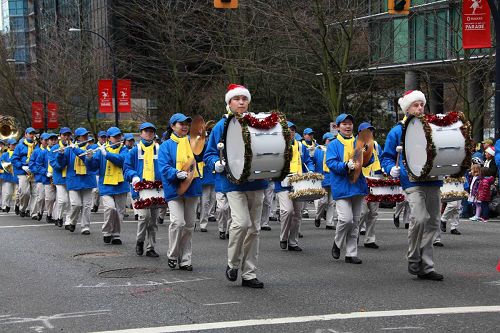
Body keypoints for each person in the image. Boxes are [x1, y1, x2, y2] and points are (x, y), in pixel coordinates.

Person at [204, 84, 267, 288]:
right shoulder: (220, 126)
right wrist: (216, 164)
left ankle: (249, 274)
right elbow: (209, 153)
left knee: (254, 229)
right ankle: (232, 263)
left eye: (244, 99)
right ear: (229, 102)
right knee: (241, 223)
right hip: (231, 183)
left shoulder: (258, 123)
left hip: (256, 181)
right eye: (236, 99)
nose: (241, 102)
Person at [381, 90, 444, 281]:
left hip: (433, 179)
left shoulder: (431, 127)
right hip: (412, 180)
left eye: (421, 104)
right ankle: (414, 256)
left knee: (433, 222)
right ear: (407, 108)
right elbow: (386, 157)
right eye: (415, 105)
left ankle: (427, 266)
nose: (420, 108)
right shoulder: (397, 130)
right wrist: (391, 168)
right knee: (419, 218)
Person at [327, 114, 373, 264]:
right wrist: (345, 165)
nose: (348, 126)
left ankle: (351, 253)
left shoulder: (358, 142)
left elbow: (368, 161)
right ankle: (338, 242)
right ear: (338, 126)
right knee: (346, 219)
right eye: (344, 124)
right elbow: (331, 163)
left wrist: (367, 153)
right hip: (341, 185)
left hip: (357, 185)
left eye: (350, 124)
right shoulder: (333, 144)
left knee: (355, 221)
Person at [158, 114, 202, 270]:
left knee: (189, 225)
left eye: (186, 124)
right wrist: (175, 173)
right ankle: (173, 254)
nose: (184, 126)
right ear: (172, 126)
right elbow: (163, 167)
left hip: (193, 187)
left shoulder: (195, 143)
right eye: (180, 123)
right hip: (174, 187)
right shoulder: (165, 145)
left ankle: (185, 259)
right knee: (177, 223)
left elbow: (202, 158)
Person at [274, 121, 314, 252]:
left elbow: (308, 160)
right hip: (283, 183)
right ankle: (283, 237)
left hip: (298, 182)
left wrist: (311, 170)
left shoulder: (301, 146)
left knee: (297, 214)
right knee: (287, 211)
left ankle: (293, 242)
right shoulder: (276, 146)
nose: (290, 132)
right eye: (287, 130)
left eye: (292, 130)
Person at [86, 127, 129, 244]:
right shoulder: (101, 150)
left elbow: (122, 160)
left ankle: (116, 235)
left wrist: (107, 154)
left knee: (119, 212)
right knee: (110, 208)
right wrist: (89, 158)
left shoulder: (124, 149)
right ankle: (107, 232)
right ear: (109, 138)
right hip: (106, 185)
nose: (118, 138)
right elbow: (93, 167)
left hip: (121, 185)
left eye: (119, 136)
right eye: (115, 136)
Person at [124, 122, 161, 257]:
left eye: (151, 131)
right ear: (141, 133)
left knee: (153, 221)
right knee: (144, 217)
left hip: (157, 190)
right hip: (140, 190)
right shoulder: (134, 150)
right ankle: (140, 241)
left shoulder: (159, 149)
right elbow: (127, 168)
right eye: (146, 131)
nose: (149, 134)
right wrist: (133, 176)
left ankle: (151, 247)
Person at [55, 128, 97, 234]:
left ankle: (85, 227)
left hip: (88, 179)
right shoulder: (69, 149)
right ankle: (72, 222)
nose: (86, 137)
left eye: (86, 135)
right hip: (73, 180)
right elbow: (62, 164)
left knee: (87, 205)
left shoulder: (92, 147)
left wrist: (75, 149)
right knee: (76, 204)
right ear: (78, 138)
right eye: (83, 136)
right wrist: (60, 155)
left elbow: (87, 159)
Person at [357, 122, 383, 249]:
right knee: (362, 211)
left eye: (371, 131)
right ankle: (354, 234)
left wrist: (383, 173)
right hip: (362, 180)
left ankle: (369, 239)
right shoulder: (355, 144)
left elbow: (381, 159)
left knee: (373, 212)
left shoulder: (376, 145)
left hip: (375, 179)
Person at [11, 127, 37, 217]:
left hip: (33, 171)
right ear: (25, 135)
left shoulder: (36, 145)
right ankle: (22, 208)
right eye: (30, 133)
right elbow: (14, 159)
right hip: (22, 171)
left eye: (33, 133)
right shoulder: (19, 146)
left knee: (35, 193)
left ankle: (33, 213)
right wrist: (22, 166)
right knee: (25, 192)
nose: (32, 135)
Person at [313, 133, 337, 230]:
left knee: (332, 202)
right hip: (322, 178)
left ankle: (329, 223)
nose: (331, 142)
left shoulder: (335, 150)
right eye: (329, 140)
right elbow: (312, 161)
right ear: (325, 140)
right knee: (323, 201)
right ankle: (318, 216)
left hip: (333, 178)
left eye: (332, 140)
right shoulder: (318, 150)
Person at [50, 127, 72, 227]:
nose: (66, 137)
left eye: (68, 135)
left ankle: (68, 221)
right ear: (60, 136)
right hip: (59, 176)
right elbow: (53, 163)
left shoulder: (72, 147)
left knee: (71, 201)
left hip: (71, 176)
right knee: (62, 200)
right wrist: (61, 162)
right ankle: (58, 217)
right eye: (64, 135)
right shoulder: (54, 148)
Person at [36, 133, 58, 223]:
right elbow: (38, 165)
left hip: (58, 178)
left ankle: (53, 216)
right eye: (51, 140)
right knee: (49, 198)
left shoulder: (59, 150)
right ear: (47, 141)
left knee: (59, 199)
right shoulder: (43, 152)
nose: (53, 142)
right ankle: (43, 212)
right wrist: (46, 173)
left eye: (55, 140)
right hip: (47, 179)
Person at [29, 133, 50, 221]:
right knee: (40, 197)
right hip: (40, 178)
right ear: (41, 140)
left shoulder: (51, 150)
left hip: (49, 178)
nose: (47, 142)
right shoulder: (36, 151)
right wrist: (39, 171)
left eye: (48, 140)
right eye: (45, 140)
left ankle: (49, 214)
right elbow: (31, 164)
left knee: (49, 198)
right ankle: (37, 212)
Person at [1, 139, 18, 212]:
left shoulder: (18, 154)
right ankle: (5, 206)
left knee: (18, 194)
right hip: (8, 176)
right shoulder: (5, 154)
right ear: (9, 145)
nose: (14, 146)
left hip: (17, 176)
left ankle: (17, 207)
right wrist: (5, 165)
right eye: (13, 145)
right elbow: (0, 163)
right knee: (8, 193)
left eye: (15, 145)